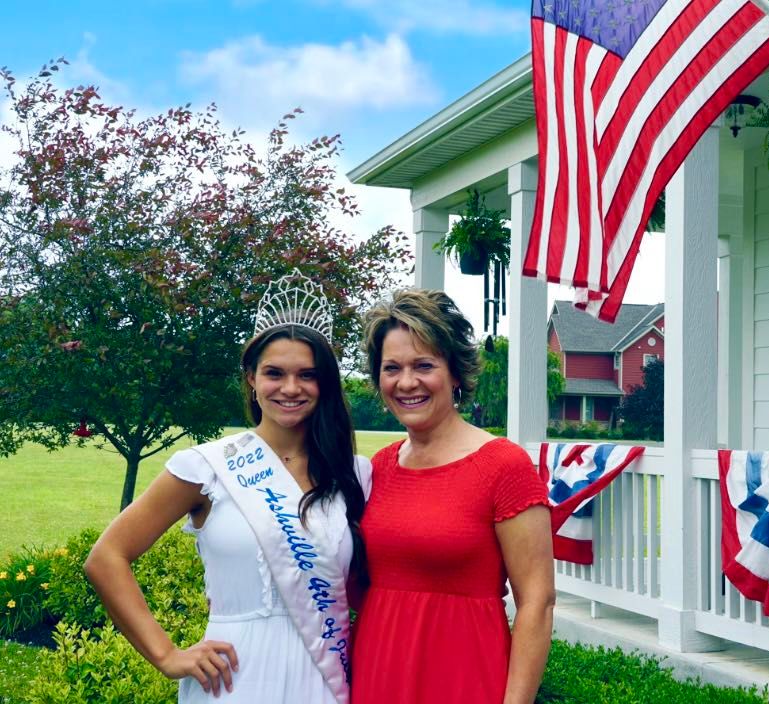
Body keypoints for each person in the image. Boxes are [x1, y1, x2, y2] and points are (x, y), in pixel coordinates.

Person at [85, 270, 370, 704]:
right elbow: (106, 557)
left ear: (325, 384)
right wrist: (166, 654)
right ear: (252, 379)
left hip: (323, 676)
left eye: (307, 375)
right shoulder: (206, 467)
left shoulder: (353, 474)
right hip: (232, 677)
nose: (290, 388)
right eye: (274, 373)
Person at [351, 288, 555, 704]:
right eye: (392, 368)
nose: (407, 382)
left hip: (465, 677)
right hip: (378, 674)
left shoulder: (503, 466)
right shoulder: (380, 468)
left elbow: (538, 601)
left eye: (424, 365)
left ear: (455, 373)